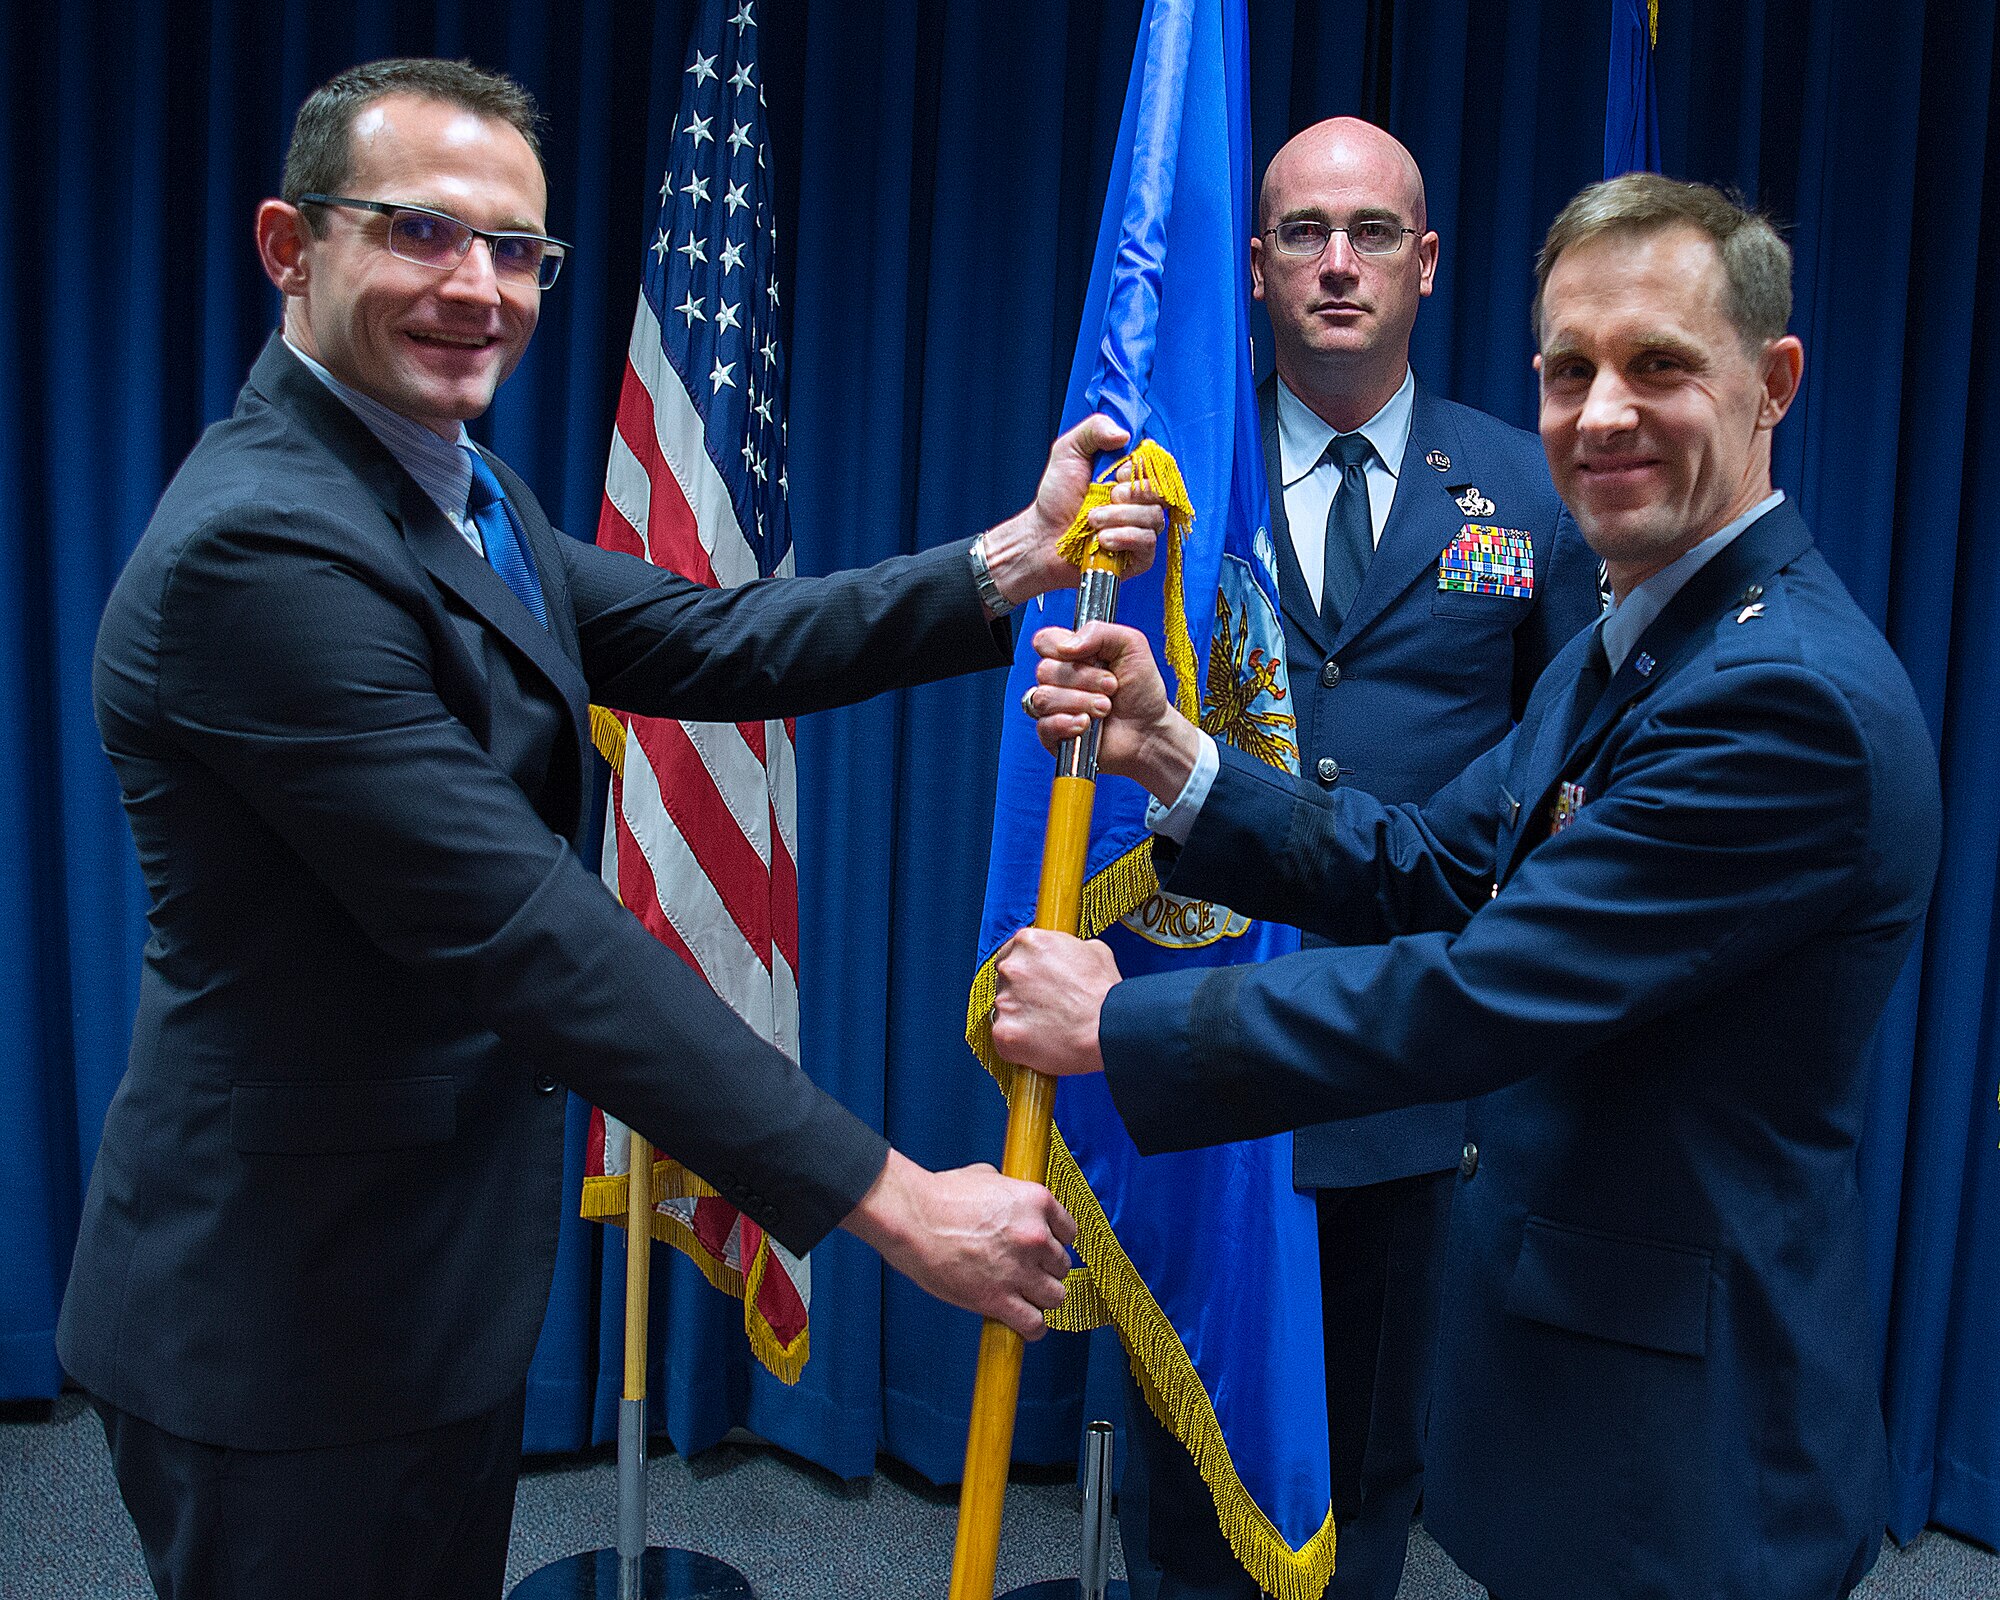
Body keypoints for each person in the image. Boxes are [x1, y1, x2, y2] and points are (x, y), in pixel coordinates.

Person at [60, 58, 1160, 1600]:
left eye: (517, 251)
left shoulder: (450, 484)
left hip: (417, 1286)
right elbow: (530, 930)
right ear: (289, 247)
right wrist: (897, 1205)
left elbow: (714, 640)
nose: (481, 288)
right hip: (281, 1322)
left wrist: (1012, 560)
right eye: (424, 232)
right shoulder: (266, 549)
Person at [995, 173, 1940, 1600]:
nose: (1601, 411)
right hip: (1584, 1376)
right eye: (1570, 370)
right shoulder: (1642, 638)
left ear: (1775, 383)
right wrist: (1180, 763)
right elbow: (1433, 864)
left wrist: (1121, 1028)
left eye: (1660, 365)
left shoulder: (1777, 698)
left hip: (1681, 1459)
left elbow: (1490, 985)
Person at [1112, 117, 1599, 1600]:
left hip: (1406, 1058)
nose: (1338, 263)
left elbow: (1566, 778)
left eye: (1373, 232)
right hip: (1198, 1038)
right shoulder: (1163, 481)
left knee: (1375, 1465)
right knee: (1186, 1466)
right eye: (1304, 233)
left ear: (1428, 264)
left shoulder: (1526, 490)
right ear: (1253, 267)